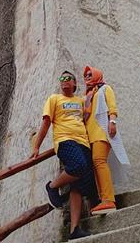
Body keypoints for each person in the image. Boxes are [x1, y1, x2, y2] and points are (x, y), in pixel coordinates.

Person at [32, 71, 94, 240]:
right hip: (65, 140)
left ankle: (74, 230)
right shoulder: (54, 99)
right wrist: (36, 146)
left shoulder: (79, 101)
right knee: (78, 166)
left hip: (84, 142)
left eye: (68, 79)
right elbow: (46, 122)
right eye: (62, 79)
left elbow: (86, 116)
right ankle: (52, 186)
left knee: (79, 187)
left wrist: (90, 93)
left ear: (74, 83)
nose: (64, 81)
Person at [83, 65, 130, 216]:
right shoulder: (88, 95)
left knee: (99, 161)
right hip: (90, 135)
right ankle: (103, 199)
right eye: (86, 75)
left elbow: (112, 106)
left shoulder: (105, 89)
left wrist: (112, 122)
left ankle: (108, 200)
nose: (88, 77)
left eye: (90, 74)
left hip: (102, 131)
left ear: (97, 75)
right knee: (97, 165)